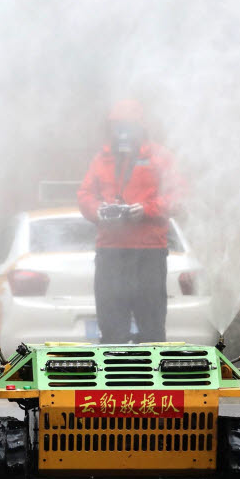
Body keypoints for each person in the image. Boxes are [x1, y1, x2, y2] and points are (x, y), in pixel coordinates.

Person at [77, 99, 181, 344]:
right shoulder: (102, 159)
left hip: (148, 252)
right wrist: (99, 210)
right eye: (117, 126)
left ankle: (152, 380)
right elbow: (85, 195)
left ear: (140, 127)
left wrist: (145, 210)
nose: (122, 132)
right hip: (110, 251)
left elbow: (178, 196)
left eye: (127, 126)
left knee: (151, 324)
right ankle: (114, 379)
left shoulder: (160, 157)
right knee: (111, 323)